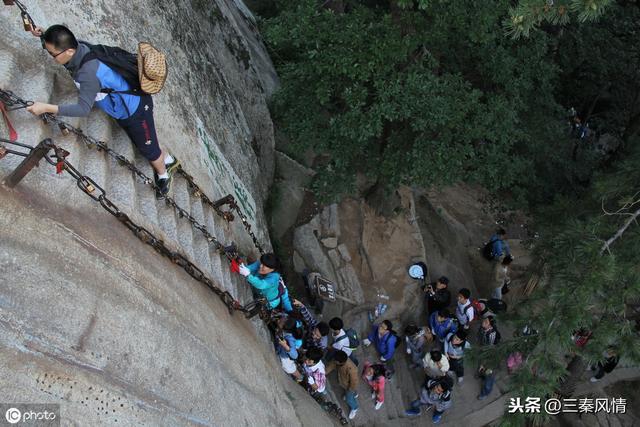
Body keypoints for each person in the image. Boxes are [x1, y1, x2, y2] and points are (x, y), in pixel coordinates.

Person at [26, 25, 178, 198]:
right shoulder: (80, 47)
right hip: (126, 105)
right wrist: (43, 36)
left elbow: (83, 109)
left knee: (147, 148)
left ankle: (163, 174)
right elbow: (58, 45)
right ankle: (168, 160)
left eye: (53, 54)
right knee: (145, 139)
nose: (52, 58)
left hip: (135, 111)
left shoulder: (88, 73)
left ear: (68, 52)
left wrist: (45, 107)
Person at [325, 350, 359, 419]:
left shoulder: (352, 369)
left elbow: (354, 382)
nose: (334, 361)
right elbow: (331, 365)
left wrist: (350, 391)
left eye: (335, 360)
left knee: (349, 399)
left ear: (341, 362)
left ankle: (355, 407)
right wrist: (323, 373)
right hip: (343, 382)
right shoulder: (339, 359)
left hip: (349, 386)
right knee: (348, 391)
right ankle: (355, 394)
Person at [477, 316, 500, 400]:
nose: (484, 322)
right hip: (484, 352)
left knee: (489, 379)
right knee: (482, 369)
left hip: (490, 359)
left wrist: (483, 364)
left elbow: (489, 351)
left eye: (486, 322)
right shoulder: (483, 328)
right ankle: (481, 374)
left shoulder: (492, 336)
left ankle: (485, 393)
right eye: (485, 320)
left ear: (490, 326)